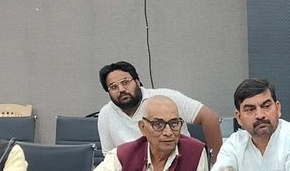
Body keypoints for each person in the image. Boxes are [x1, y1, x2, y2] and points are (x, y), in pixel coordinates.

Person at [71, 95, 209, 171]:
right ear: (143, 127)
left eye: (174, 123)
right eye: (158, 124)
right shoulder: (124, 154)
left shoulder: (195, 152)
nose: (168, 132)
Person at [96, 61, 224, 158]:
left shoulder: (166, 98)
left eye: (125, 82)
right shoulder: (106, 113)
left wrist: (215, 163)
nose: (121, 90)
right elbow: (110, 156)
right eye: (113, 87)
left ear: (137, 81)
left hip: (181, 165)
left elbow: (210, 118)